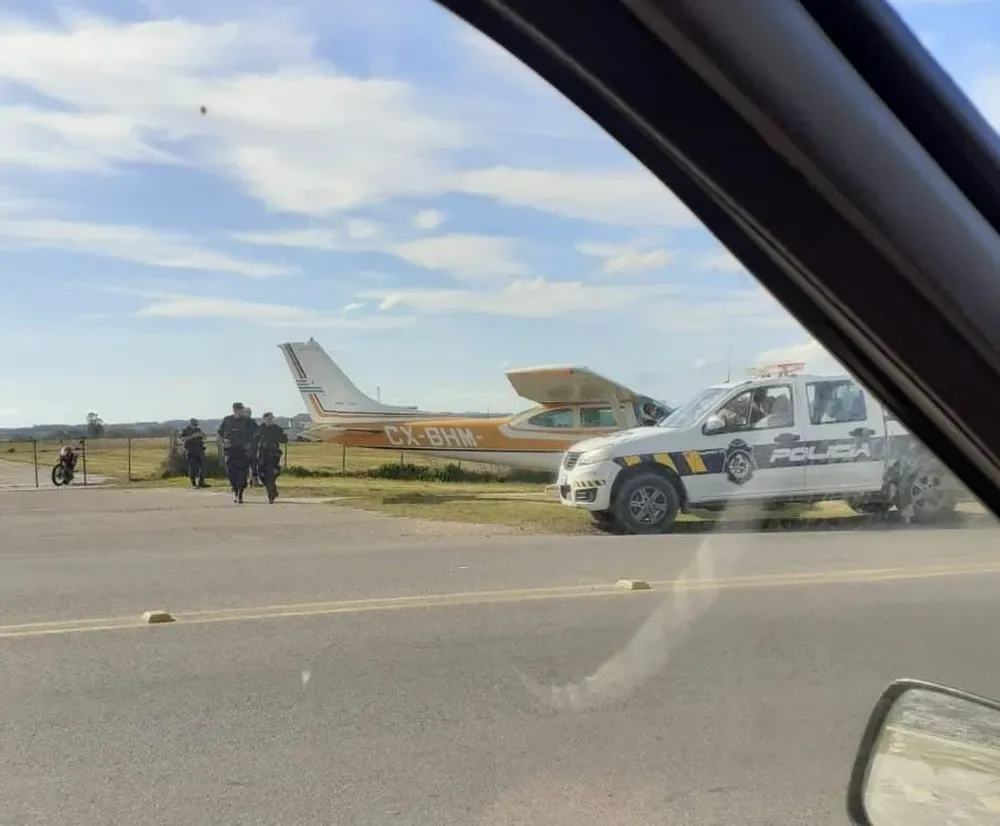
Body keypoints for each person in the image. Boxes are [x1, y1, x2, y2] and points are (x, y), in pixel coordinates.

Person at [217, 402, 255, 504]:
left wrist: (250, 444)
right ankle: (234, 489)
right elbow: (220, 433)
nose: (240, 411)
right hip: (230, 451)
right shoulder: (227, 420)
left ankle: (240, 494)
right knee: (230, 473)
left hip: (243, 451)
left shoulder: (248, 422)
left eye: (241, 409)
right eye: (238, 409)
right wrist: (223, 443)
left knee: (242, 473)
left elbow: (257, 434)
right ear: (234, 410)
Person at [253, 412, 288, 504]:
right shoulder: (260, 428)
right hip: (262, 455)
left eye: (271, 419)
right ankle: (273, 491)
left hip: (273, 454)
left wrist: (284, 437)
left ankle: (271, 494)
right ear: (264, 419)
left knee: (270, 475)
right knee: (261, 474)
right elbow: (254, 439)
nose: (270, 420)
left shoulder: (276, 429)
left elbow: (283, 440)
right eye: (268, 419)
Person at [179, 418, 207, 488]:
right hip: (190, 450)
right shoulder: (185, 430)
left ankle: (201, 482)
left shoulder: (198, 429)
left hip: (200, 450)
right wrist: (193, 436)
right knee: (193, 467)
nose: (195, 426)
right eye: (194, 425)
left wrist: (201, 435)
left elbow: (204, 437)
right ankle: (193, 483)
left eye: (196, 425)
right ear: (190, 424)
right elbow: (182, 439)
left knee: (203, 467)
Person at [244, 406, 260, 487]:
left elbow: (258, 431)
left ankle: (254, 482)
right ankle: (243, 482)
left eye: (249, 412)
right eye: (246, 412)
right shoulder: (240, 422)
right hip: (243, 447)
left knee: (254, 464)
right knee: (243, 465)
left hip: (253, 447)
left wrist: (255, 438)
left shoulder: (253, 422)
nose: (248, 414)